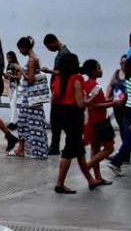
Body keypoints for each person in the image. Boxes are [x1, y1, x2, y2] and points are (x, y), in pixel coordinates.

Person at [51, 53, 99, 193]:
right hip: (74, 116)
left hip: (62, 114)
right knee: (70, 149)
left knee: (79, 150)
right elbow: (80, 103)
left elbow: (54, 98)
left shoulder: (58, 78)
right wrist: (91, 99)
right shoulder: (76, 79)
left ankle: (91, 180)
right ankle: (59, 184)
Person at [12, 36, 49, 160]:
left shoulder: (31, 60)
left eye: (20, 49)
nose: (20, 52)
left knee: (27, 122)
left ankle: (30, 149)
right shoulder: (35, 58)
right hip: (31, 97)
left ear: (24, 47)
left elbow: (31, 79)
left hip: (30, 98)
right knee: (25, 122)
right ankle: (21, 149)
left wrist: (20, 70)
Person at [81, 59, 116, 187]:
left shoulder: (86, 84)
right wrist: (112, 103)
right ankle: (87, 167)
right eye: (99, 68)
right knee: (109, 148)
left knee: (95, 150)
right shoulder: (94, 86)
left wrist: (108, 101)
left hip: (92, 121)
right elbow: (95, 105)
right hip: (99, 121)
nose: (101, 70)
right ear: (94, 71)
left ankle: (98, 177)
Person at [41, 33, 72, 156]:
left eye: (49, 47)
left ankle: (69, 143)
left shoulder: (64, 54)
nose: (50, 50)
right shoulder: (61, 53)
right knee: (56, 121)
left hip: (61, 92)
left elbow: (66, 72)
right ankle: (55, 146)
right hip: (57, 90)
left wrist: (49, 71)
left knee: (60, 120)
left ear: (52, 42)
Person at [4, 51, 23, 129]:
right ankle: (15, 122)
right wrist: (5, 75)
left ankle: (12, 122)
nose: (8, 59)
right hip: (10, 86)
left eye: (9, 57)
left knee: (12, 103)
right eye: (7, 58)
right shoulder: (8, 65)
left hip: (16, 86)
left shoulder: (16, 65)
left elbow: (19, 77)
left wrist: (11, 76)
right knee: (12, 104)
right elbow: (7, 76)